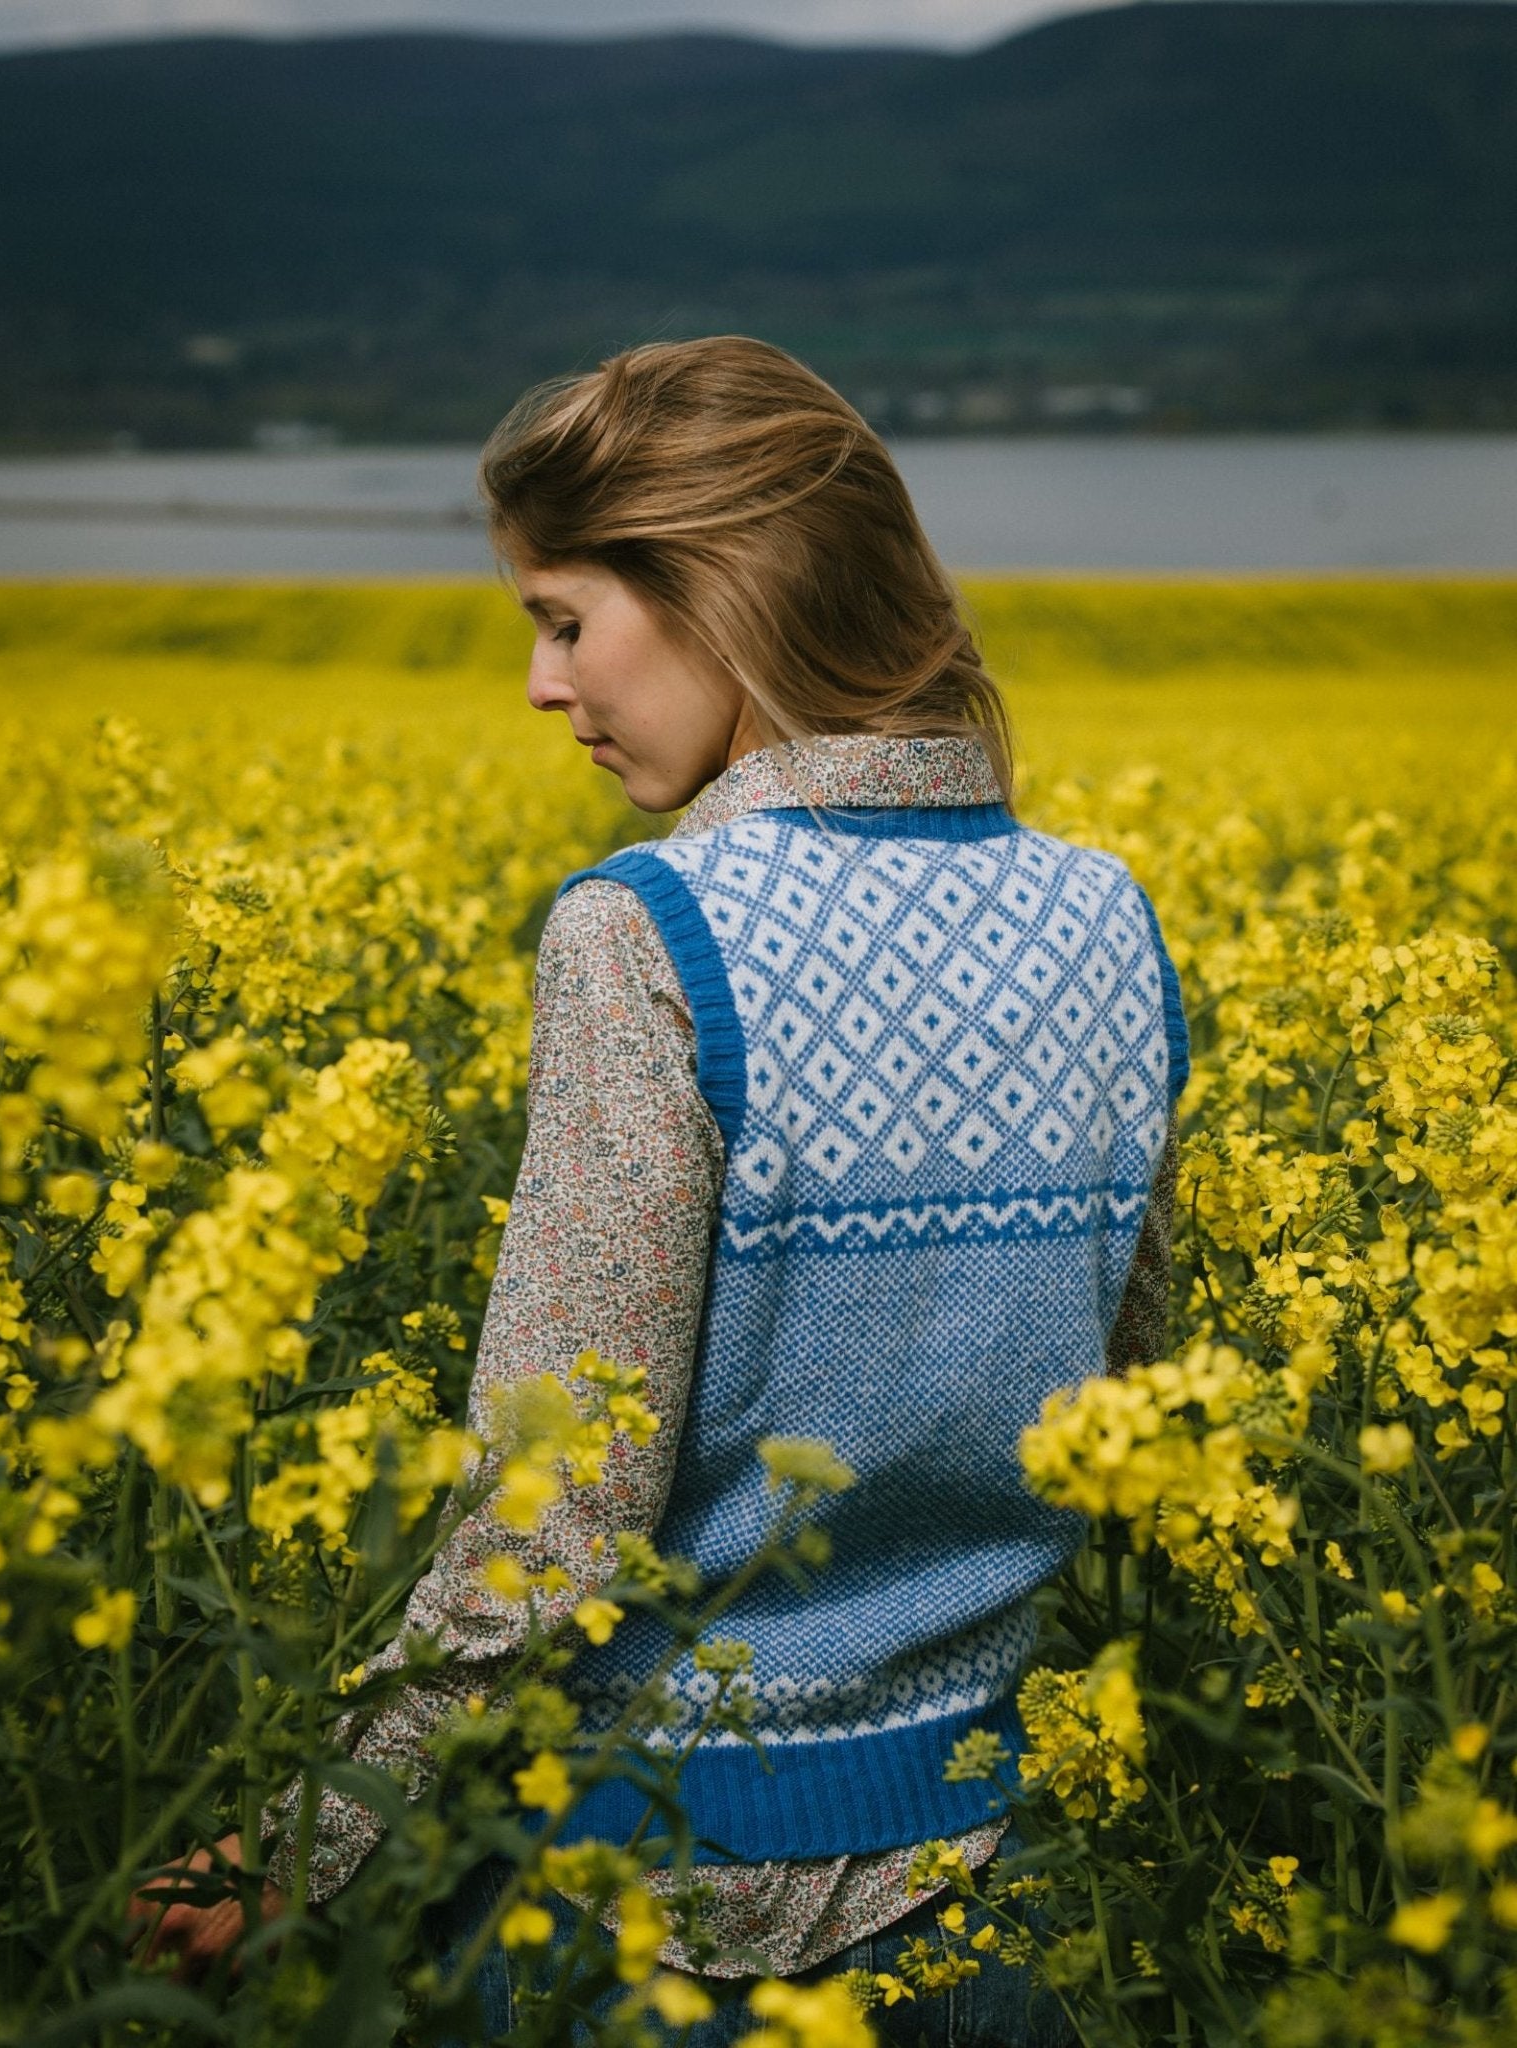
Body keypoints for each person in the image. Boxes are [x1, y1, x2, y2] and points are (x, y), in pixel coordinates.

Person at [140, 336, 1184, 2043]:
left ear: (728, 591)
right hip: (1010, 1899)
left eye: (566, 621)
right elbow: (1137, 1430)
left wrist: (304, 1845)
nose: (546, 690)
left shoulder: (654, 935)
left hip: (651, 1913)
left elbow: (557, 1515)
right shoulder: (1107, 919)